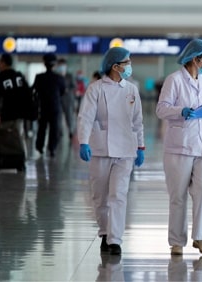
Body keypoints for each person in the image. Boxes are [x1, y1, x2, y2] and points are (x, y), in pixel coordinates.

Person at [156, 38, 202, 256]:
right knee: (178, 196)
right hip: (180, 146)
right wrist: (180, 111)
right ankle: (176, 241)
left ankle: (200, 238)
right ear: (195, 59)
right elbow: (161, 109)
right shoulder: (174, 80)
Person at [77, 47, 145, 256]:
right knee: (100, 197)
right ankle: (105, 232)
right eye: (127, 62)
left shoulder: (132, 89)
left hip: (126, 150)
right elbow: (86, 117)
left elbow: (138, 121)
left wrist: (140, 146)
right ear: (115, 66)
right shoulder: (96, 88)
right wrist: (83, 141)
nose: (129, 66)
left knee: (119, 195)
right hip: (100, 149)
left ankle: (115, 240)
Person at [0, 53, 31, 169]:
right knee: (19, 136)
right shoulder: (19, 77)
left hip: (5, 113)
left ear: (3, 63)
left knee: (2, 137)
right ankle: (22, 161)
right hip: (19, 113)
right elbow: (27, 94)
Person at [33, 53, 65, 157]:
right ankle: (52, 149)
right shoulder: (59, 78)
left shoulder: (39, 77)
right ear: (54, 64)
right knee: (54, 129)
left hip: (43, 106)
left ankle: (39, 146)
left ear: (44, 63)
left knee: (42, 127)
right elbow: (62, 91)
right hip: (55, 106)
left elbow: (34, 90)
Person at [56, 58, 76, 139]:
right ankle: (59, 132)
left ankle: (70, 131)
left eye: (63, 65)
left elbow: (74, 86)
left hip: (68, 99)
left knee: (69, 116)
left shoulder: (69, 76)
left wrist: (67, 89)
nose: (61, 67)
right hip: (58, 99)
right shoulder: (56, 76)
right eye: (60, 65)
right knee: (58, 117)